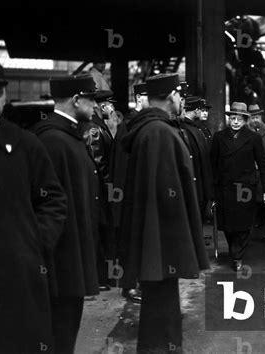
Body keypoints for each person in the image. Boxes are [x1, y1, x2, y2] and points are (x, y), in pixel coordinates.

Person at [0, 62, 67, 353]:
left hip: (18, 278)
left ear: (5, 95)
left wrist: (32, 244)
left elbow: (53, 199)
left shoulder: (25, 144)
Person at [118, 73, 209, 353]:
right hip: (163, 237)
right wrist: (178, 242)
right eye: (180, 95)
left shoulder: (155, 129)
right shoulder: (159, 132)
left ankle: (165, 346)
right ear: (171, 96)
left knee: (161, 300)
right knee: (160, 301)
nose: (182, 100)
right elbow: (166, 193)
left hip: (157, 237)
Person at [32, 74, 100, 354]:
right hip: (60, 260)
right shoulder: (53, 140)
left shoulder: (64, 136)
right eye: (92, 99)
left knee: (66, 327)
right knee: (59, 330)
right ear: (76, 100)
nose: (95, 105)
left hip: (71, 254)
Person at [210, 102, 265, 271]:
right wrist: (213, 189)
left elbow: (263, 164)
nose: (236, 122)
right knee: (228, 225)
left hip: (245, 187)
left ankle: (237, 256)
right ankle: (234, 250)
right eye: (232, 118)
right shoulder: (219, 137)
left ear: (245, 120)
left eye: (239, 119)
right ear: (229, 119)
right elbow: (213, 165)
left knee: (244, 224)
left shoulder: (254, 138)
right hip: (225, 187)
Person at [111, 83, 149, 302]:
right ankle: (129, 286)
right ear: (138, 98)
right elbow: (123, 166)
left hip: (135, 194)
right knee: (130, 243)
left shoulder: (139, 122)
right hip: (128, 195)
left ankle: (136, 283)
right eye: (147, 96)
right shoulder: (130, 124)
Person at [80, 90, 115, 291]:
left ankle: (101, 277)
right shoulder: (95, 129)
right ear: (102, 106)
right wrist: (111, 187)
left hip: (98, 191)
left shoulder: (97, 126)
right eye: (110, 105)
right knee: (100, 233)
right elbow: (99, 163)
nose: (112, 109)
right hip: (99, 192)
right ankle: (99, 278)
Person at [180, 96, 214, 219]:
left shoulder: (199, 129)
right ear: (195, 110)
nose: (204, 113)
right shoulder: (188, 129)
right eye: (202, 109)